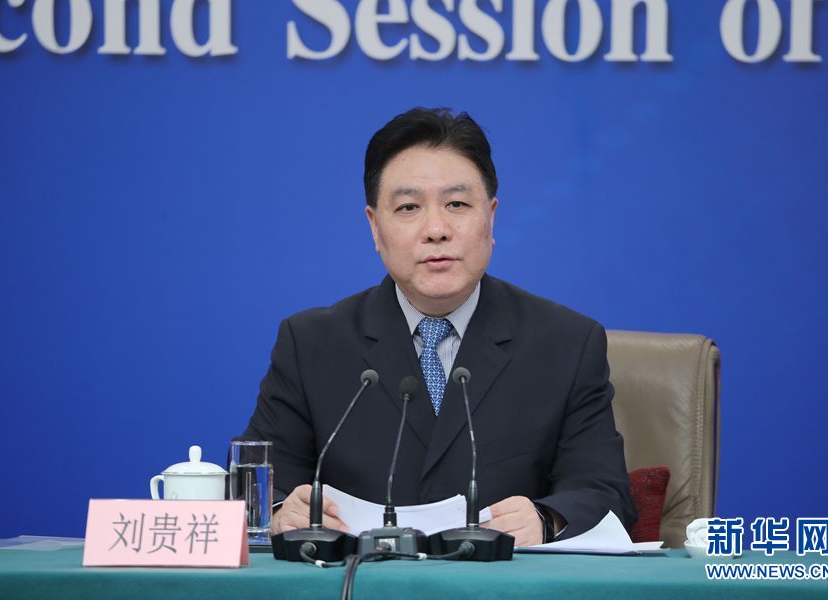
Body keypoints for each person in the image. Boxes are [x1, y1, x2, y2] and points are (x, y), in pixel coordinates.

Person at [241, 107, 636, 546]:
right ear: (375, 228)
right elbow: (258, 486)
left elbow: (604, 493)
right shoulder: (310, 344)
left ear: (491, 218)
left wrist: (545, 519)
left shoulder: (566, 343)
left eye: (457, 205)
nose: (436, 229)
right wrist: (280, 511)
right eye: (408, 207)